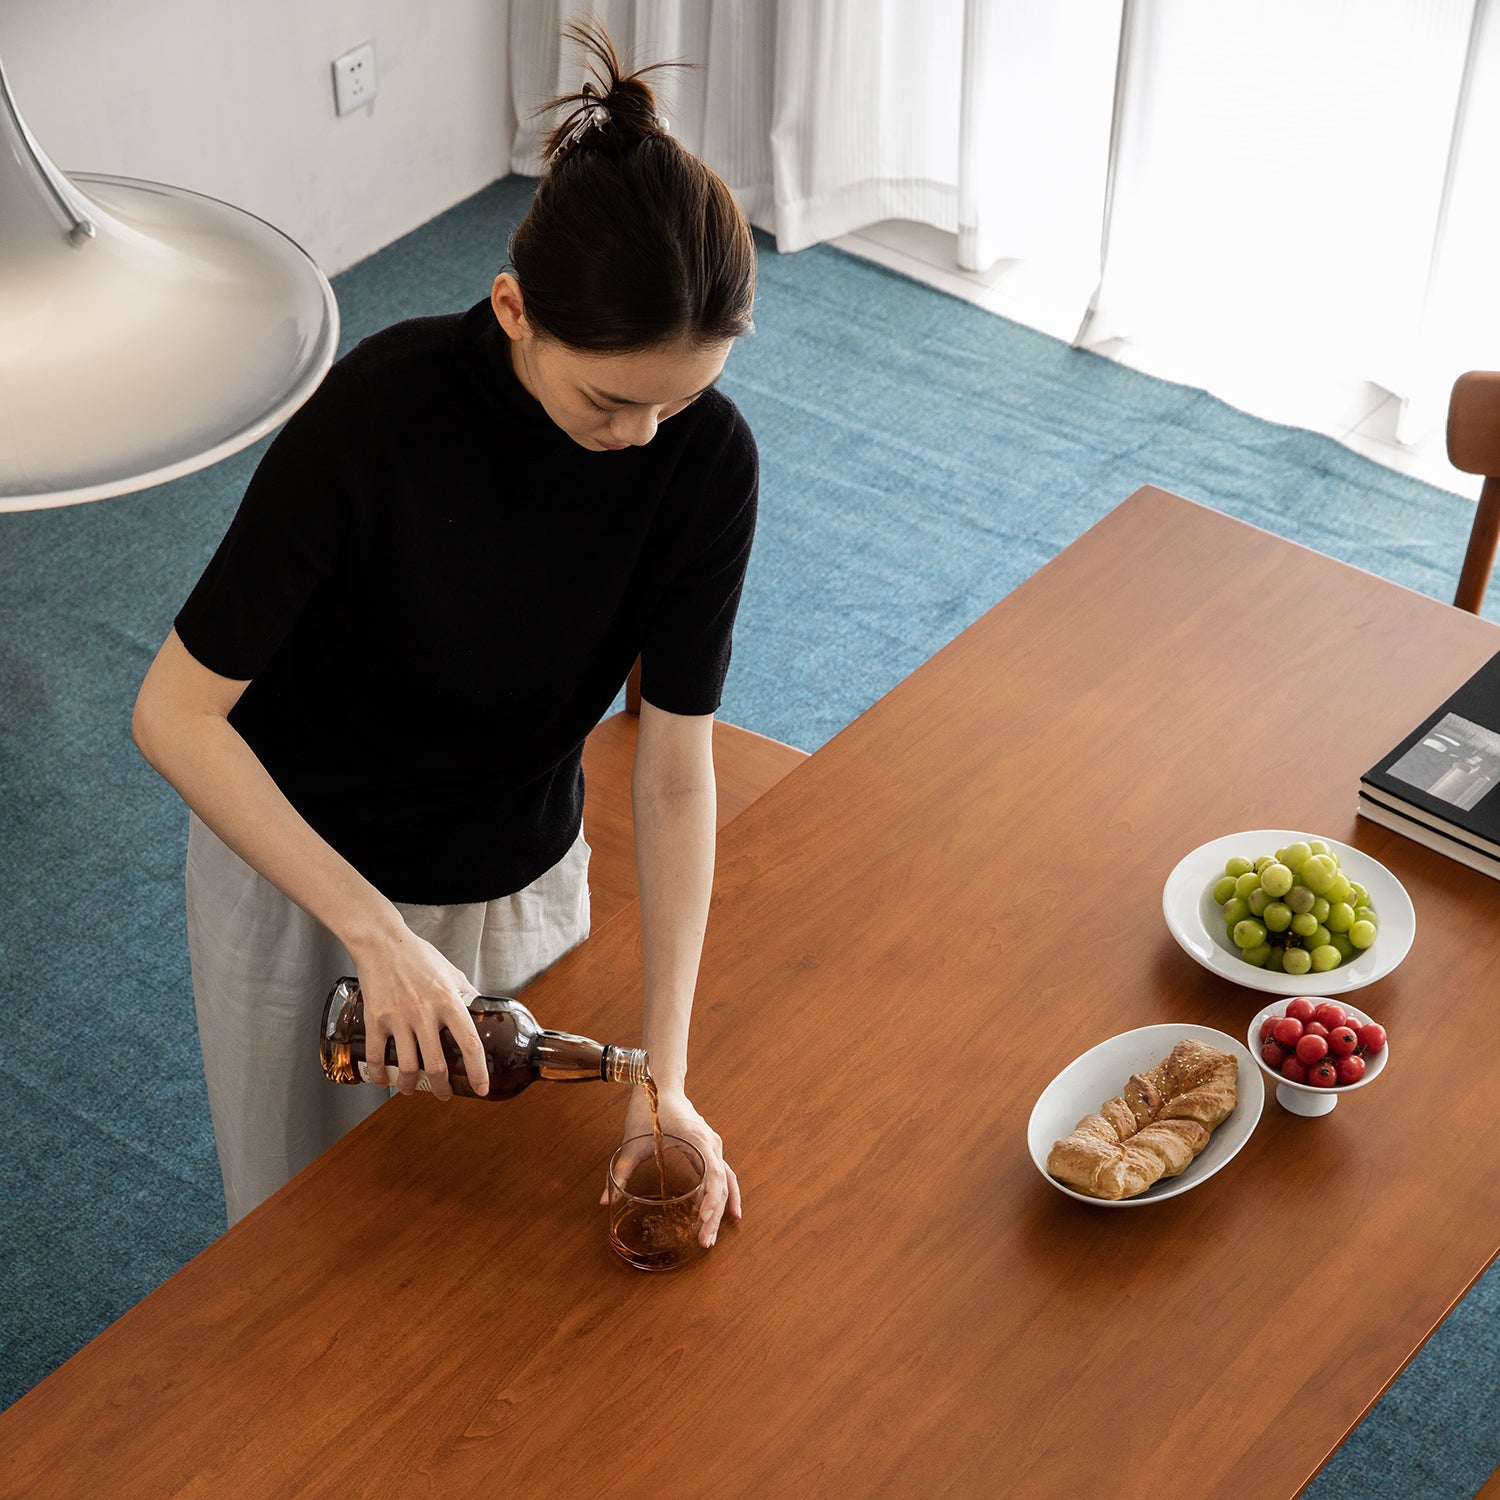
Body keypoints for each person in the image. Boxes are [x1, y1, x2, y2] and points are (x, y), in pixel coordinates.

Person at [131, 20, 755, 1243]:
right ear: (513, 309)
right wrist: (375, 933)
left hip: (513, 879)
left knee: (480, 1252)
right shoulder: (377, 411)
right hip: (307, 880)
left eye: (683, 398)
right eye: (610, 400)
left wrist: (669, 1084)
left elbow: (676, 772)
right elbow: (173, 714)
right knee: (297, 1233)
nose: (643, 438)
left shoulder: (706, 459)